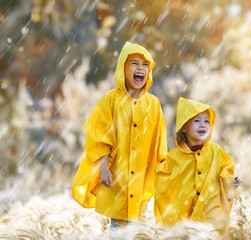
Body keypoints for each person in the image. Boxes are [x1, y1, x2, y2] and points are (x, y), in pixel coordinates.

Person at [72, 41, 167, 228]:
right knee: (118, 224)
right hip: (117, 176)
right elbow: (100, 135)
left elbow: (159, 141)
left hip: (140, 177)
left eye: (145, 64)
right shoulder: (110, 100)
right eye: (134, 63)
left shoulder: (153, 104)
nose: (140, 68)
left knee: (137, 225)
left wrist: (162, 169)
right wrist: (104, 168)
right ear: (123, 69)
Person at [154, 97, 241, 233]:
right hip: (183, 217)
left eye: (207, 121)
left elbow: (226, 170)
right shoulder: (174, 156)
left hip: (209, 215)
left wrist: (231, 182)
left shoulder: (216, 151)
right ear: (184, 127)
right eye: (197, 121)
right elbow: (163, 182)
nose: (203, 125)